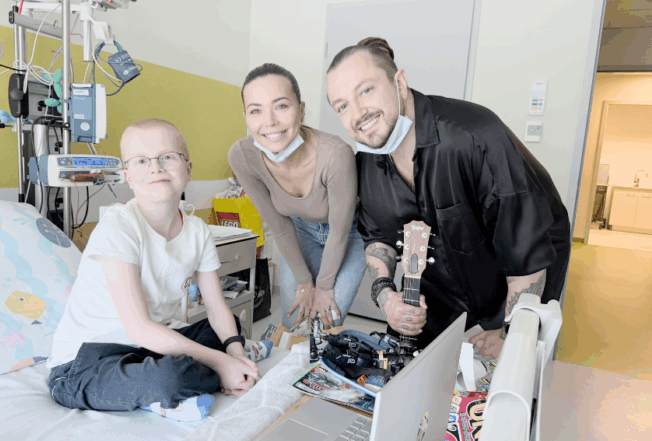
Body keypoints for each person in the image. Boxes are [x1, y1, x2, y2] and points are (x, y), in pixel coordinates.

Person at [325, 38, 571, 357]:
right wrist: (386, 297)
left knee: (513, 366)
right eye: (342, 106)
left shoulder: (476, 137)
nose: (357, 113)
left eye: (366, 90)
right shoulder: (367, 162)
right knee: (407, 360)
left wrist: (508, 332)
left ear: (400, 83)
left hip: (516, 268)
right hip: (439, 270)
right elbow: (376, 238)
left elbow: (525, 254)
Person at [46, 119, 263, 421]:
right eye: (141, 161)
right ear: (128, 176)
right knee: (169, 378)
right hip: (87, 363)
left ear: (188, 168)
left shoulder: (198, 231)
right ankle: (187, 383)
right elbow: (138, 328)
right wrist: (221, 362)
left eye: (168, 157)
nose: (156, 168)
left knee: (230, 330)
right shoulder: (119, 225)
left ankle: (207, 374)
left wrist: (236, 353)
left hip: (149, 348)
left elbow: (216, 307)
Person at [228, 63, 366, 330]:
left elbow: (339, 231)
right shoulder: (242, 156)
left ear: (301, 110)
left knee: (326, 321)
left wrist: (323, 287)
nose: (270, 121)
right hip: (301, 230)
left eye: (281, 106)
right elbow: (279, 225)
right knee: (294, 321)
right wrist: (304, 283)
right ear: (245, 117)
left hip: (349, 233)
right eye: (256, 110)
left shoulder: (335, 154)